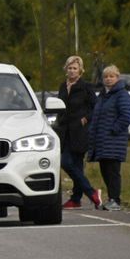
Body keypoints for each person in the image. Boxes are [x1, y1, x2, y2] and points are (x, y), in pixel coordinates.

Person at [56, 55, 101, 209]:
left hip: (79, 131)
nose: (72, 71)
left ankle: (85, 195)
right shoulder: (63, 86)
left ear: (80, 70)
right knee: (71, 164)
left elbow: (95, 106)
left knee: (70, 163)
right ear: (66, 69)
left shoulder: (86, 87)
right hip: (64, 131)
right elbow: (59, 106)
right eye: (69, 68)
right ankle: (82, 196)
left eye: (75, 68)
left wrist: (86, 118)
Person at [87, 64, 130, 211]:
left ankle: (116, 200)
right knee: (105, 170)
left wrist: (113, 130)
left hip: (113, 141)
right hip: (102, 141)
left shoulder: (121, 94)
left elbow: (125, 116)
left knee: (113, 171)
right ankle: (111, 198)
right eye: (106, 76)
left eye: (111, 76)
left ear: (117, 78)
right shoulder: (103, 96)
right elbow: (96, 116)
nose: (108, 79)